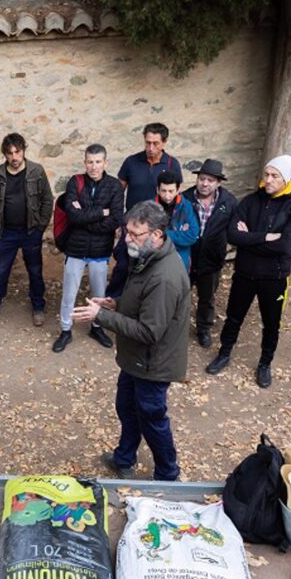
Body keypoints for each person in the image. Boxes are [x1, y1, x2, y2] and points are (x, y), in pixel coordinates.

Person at [71, 201, 190, 481]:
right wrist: (115, 304)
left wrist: (101, 316)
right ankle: (125, 457)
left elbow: (150, 332)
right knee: (127, 407)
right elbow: (141, 302)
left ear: (157, 235)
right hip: (135, 360)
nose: (127, 239)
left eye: (135, 234)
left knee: (152, 418)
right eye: (127, 232)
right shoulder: (148, 257)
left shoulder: (165, 277)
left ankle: (168, 473)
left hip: (153, 363)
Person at [205, 155, 291, 388]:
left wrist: (249, 238)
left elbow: (284, 245)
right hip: (245, 272)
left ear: (286, 178)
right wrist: (265, 237)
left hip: (275, 277)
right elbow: (232, 234)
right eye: (266, 174)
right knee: (234, 316)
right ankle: (224, 352)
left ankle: (265, 362)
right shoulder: (251, 201)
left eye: (274, 176)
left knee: (271, 322)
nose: (268, 180)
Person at [0, 133, 54, 326]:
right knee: (0, 270)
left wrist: (41, 226)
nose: (14, 157)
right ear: (4, 154)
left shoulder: (36, 171)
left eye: (17, 152)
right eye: (9, 153)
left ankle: (38, 306)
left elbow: (47, 199)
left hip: (31, 231)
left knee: (35, 271)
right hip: (6, 232)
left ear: (23, 150)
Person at [53, 143, 124, 353]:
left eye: (98, 162)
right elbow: (72, 216)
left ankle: (97, 327)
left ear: (105, 163)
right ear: (85, 162)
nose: (94, 166)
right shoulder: (75, 182)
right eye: (90, 162)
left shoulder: (114, 186)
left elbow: (116, 218)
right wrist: (101, 212)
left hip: (100, 251)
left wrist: (85, 216)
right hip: (75, 248)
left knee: (99, 293)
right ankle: (65, 330)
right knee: (69, 293)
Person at [107, 122, 184, 296]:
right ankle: (111, 303)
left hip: (156, 229)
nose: (150, 147)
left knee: (150, 268)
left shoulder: (173, 164)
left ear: (164, 142)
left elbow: (176, 197)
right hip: (132, 226)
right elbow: (118, 195)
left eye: (155, 143)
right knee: (123, 265)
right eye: (147, 142)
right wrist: (119, 222)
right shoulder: (131, 162)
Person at [182, 159, 238, 347]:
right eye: (202, 179)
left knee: (207, 298)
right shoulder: (185, 198)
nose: (205, 184)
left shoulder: (228, 202)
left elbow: (234, 228)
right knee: (180, 294)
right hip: (188, 257)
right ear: (197, 179)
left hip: (212, 259)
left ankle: (203, 329)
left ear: (218, 183)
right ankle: (176, 327)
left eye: (211, 180)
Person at [154, 171, 200, 270]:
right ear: (157, 189)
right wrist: (178, 235)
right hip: (155, 257)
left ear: (178, 189)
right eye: (163, 191)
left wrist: (164, 235)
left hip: (180, 258)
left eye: (171, 191)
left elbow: (192, 235)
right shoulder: (150, 207)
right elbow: (148, 235)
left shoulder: (186, 207)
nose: (167, 196)